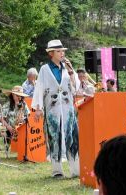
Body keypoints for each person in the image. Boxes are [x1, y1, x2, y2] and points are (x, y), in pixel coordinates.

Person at [32, 39, 80, 178]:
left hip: (67, 108)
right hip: (52, 109)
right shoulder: (44, 69)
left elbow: (76, 88)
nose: (62, 54)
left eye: (62, 51)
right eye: (58, 51)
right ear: (51, 54)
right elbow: (39, 88)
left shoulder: (67, 69)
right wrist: (39, 108)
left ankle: (75, 170)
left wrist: (71, 73)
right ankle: (57, 171)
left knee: (72, 137)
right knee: (54, 137)